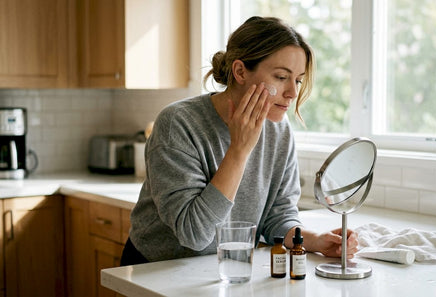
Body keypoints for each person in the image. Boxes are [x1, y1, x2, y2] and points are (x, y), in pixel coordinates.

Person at [120, 16, 358, 265]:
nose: (293, 93)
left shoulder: (278, 130)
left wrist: (313, 239)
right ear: (240, 71)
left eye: (297, 80)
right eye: (280, 77)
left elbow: (278, 214)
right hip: (155, 270)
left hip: (226, 270)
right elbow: (194, 234)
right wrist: (239, 150)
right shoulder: (178, 123)